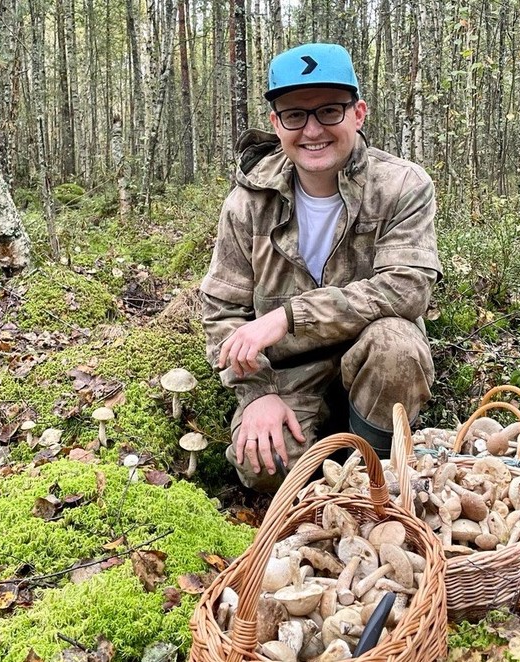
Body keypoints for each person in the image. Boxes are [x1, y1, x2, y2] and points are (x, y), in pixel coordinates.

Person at [200, 43, 443, 491]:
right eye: (295, 115)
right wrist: (257, 394)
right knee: (263, 467)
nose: (312, 130)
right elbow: (221, 313)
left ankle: (370, 471)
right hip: (286, 371)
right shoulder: (248, 202)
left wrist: (289, 316)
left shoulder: (401, 185)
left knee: (397, 349)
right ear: (276, 123)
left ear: (358, 113)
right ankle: (314, 454)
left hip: (371, 350)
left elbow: (407, 289)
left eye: (329, 111)